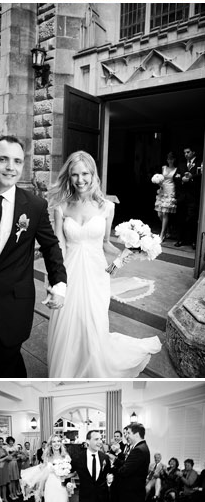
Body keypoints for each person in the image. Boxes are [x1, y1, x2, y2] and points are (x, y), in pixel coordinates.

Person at [0, 132, 67, 376]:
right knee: (2, 358)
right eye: (3, 159)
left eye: (17, 161)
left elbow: (51, 246)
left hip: (16, 304)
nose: (11, 167)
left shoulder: (35, 206)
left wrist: (59, 283)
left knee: (0, 360)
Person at [48, 152, 160, 377]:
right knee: (67, 323)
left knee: (93, 322)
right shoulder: (61, 207)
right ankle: (67, 371)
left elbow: (106, 243)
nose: (80, 180)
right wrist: (54, 281)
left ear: (93, 174)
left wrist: (130, 251)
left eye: (85, 174)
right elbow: (58, 246)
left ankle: (93, 369)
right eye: (74, 175)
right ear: (68, 177)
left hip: (97, 273)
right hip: (68, 272)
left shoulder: (107, 207)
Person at [69, 430, 111, 502]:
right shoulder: (78, 458)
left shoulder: (104, 458)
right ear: (88, 441)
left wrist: (109, 480)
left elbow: (108, 474)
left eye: (100, 439)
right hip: (86, 498)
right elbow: (69, 472)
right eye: (96, 439)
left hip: (102, 498)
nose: (100, 442)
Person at [114, 425, 150, 502]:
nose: (126, 436)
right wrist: (116, 460)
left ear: (136, 434)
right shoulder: (142, 447)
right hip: (136, 493)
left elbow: (124, 471)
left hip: (132, 495)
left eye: (128, 433)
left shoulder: (138, 450)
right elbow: (129, 465)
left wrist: (114, 465)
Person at [153, 153, 180, 241]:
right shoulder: (163, 167)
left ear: (174, 160)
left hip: (170, 190)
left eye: (171, 159)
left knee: (165, 213)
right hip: (162, 189)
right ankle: (167, 228)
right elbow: (161, 178)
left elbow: (176, 180)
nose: (170, 161)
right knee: (159, 214)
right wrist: (158, 182)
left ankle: (162, 234)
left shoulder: (176, 169)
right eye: (168, 159)